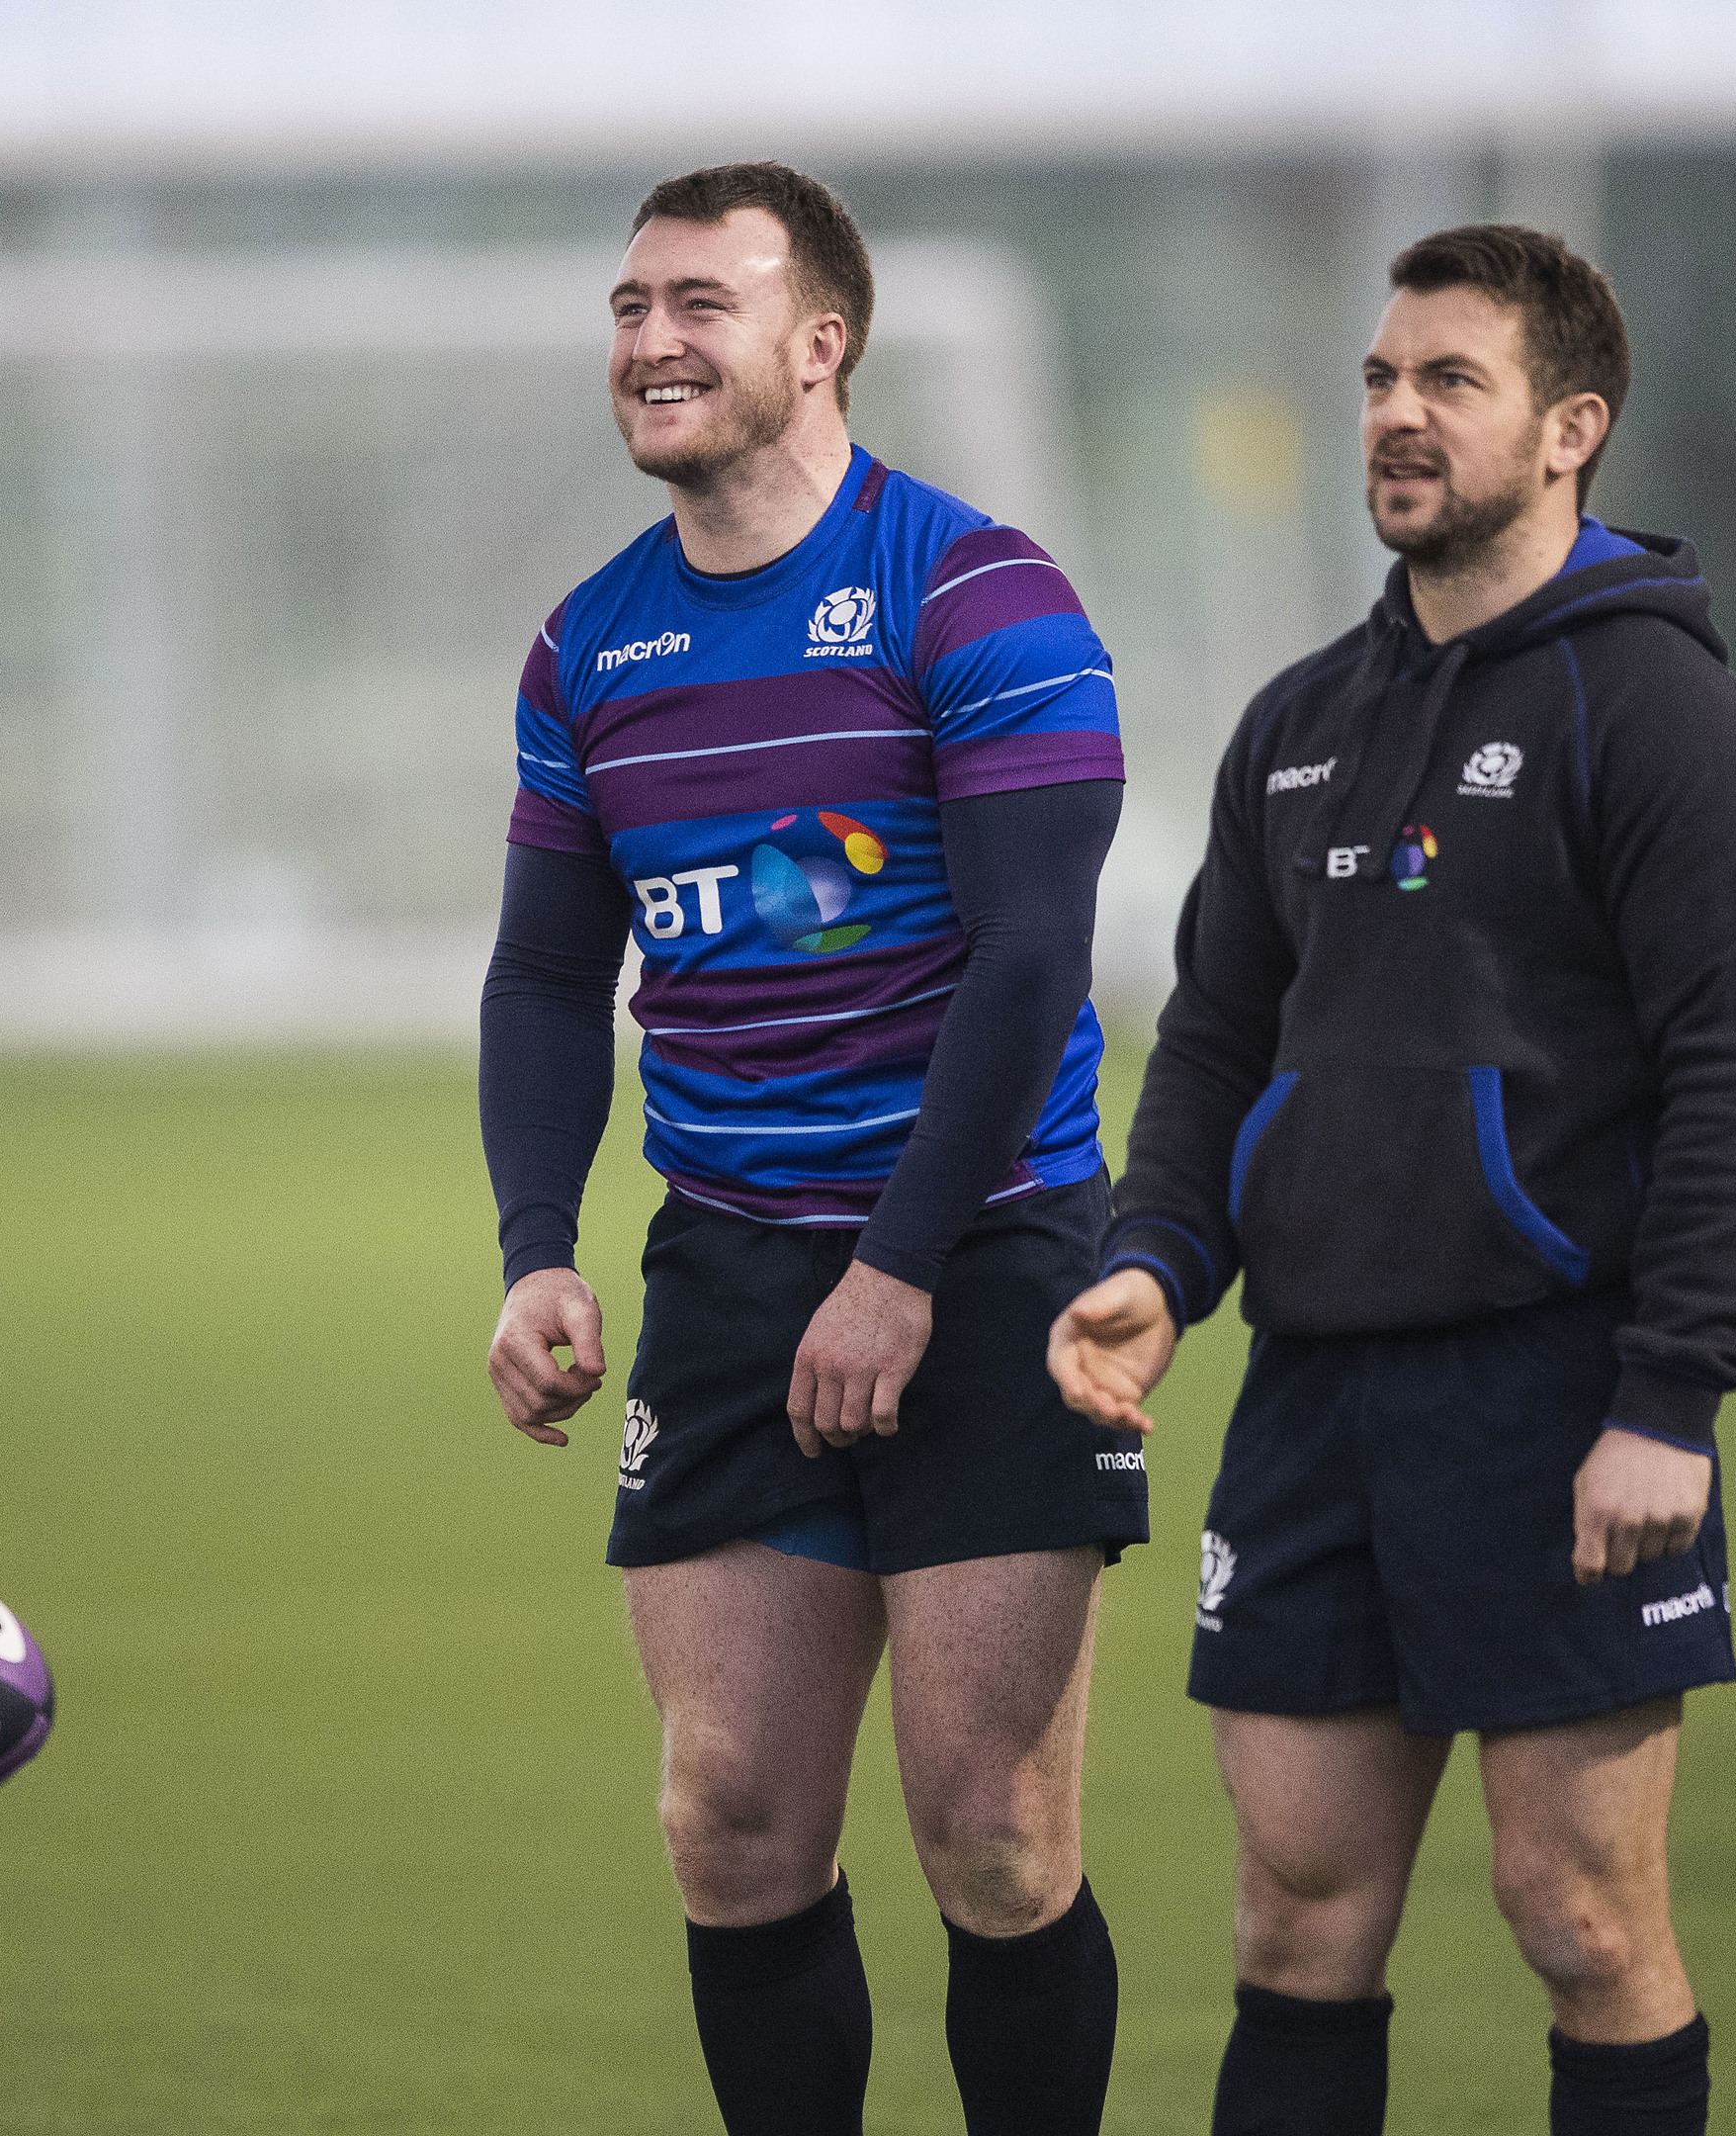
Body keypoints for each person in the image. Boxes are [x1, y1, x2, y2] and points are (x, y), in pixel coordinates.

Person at [1048, 225, 1736, 2136]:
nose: (1395, 415)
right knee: (1296, 1915)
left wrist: (1666, 1400)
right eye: (1381, 379)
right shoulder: (1299, 726)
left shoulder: (1658, 718)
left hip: (1558, 1401)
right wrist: (1158, 1257)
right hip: (1313, 1400)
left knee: (1579, 1916)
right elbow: (1219, 1039)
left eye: (1445, 382)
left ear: (1570, 428)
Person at [478, 161, 1143, 2136]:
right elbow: (539, 988)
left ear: (817, 342)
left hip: (992, 1255)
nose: (651, 341)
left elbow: (1032, 959)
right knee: (729, 1822)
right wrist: (534, 1245)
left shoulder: (975, 590)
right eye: (626, 306)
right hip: (734, 1270)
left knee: (996, 1832)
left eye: (699, 301)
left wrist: (902, 1267)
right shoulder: (586, 648)